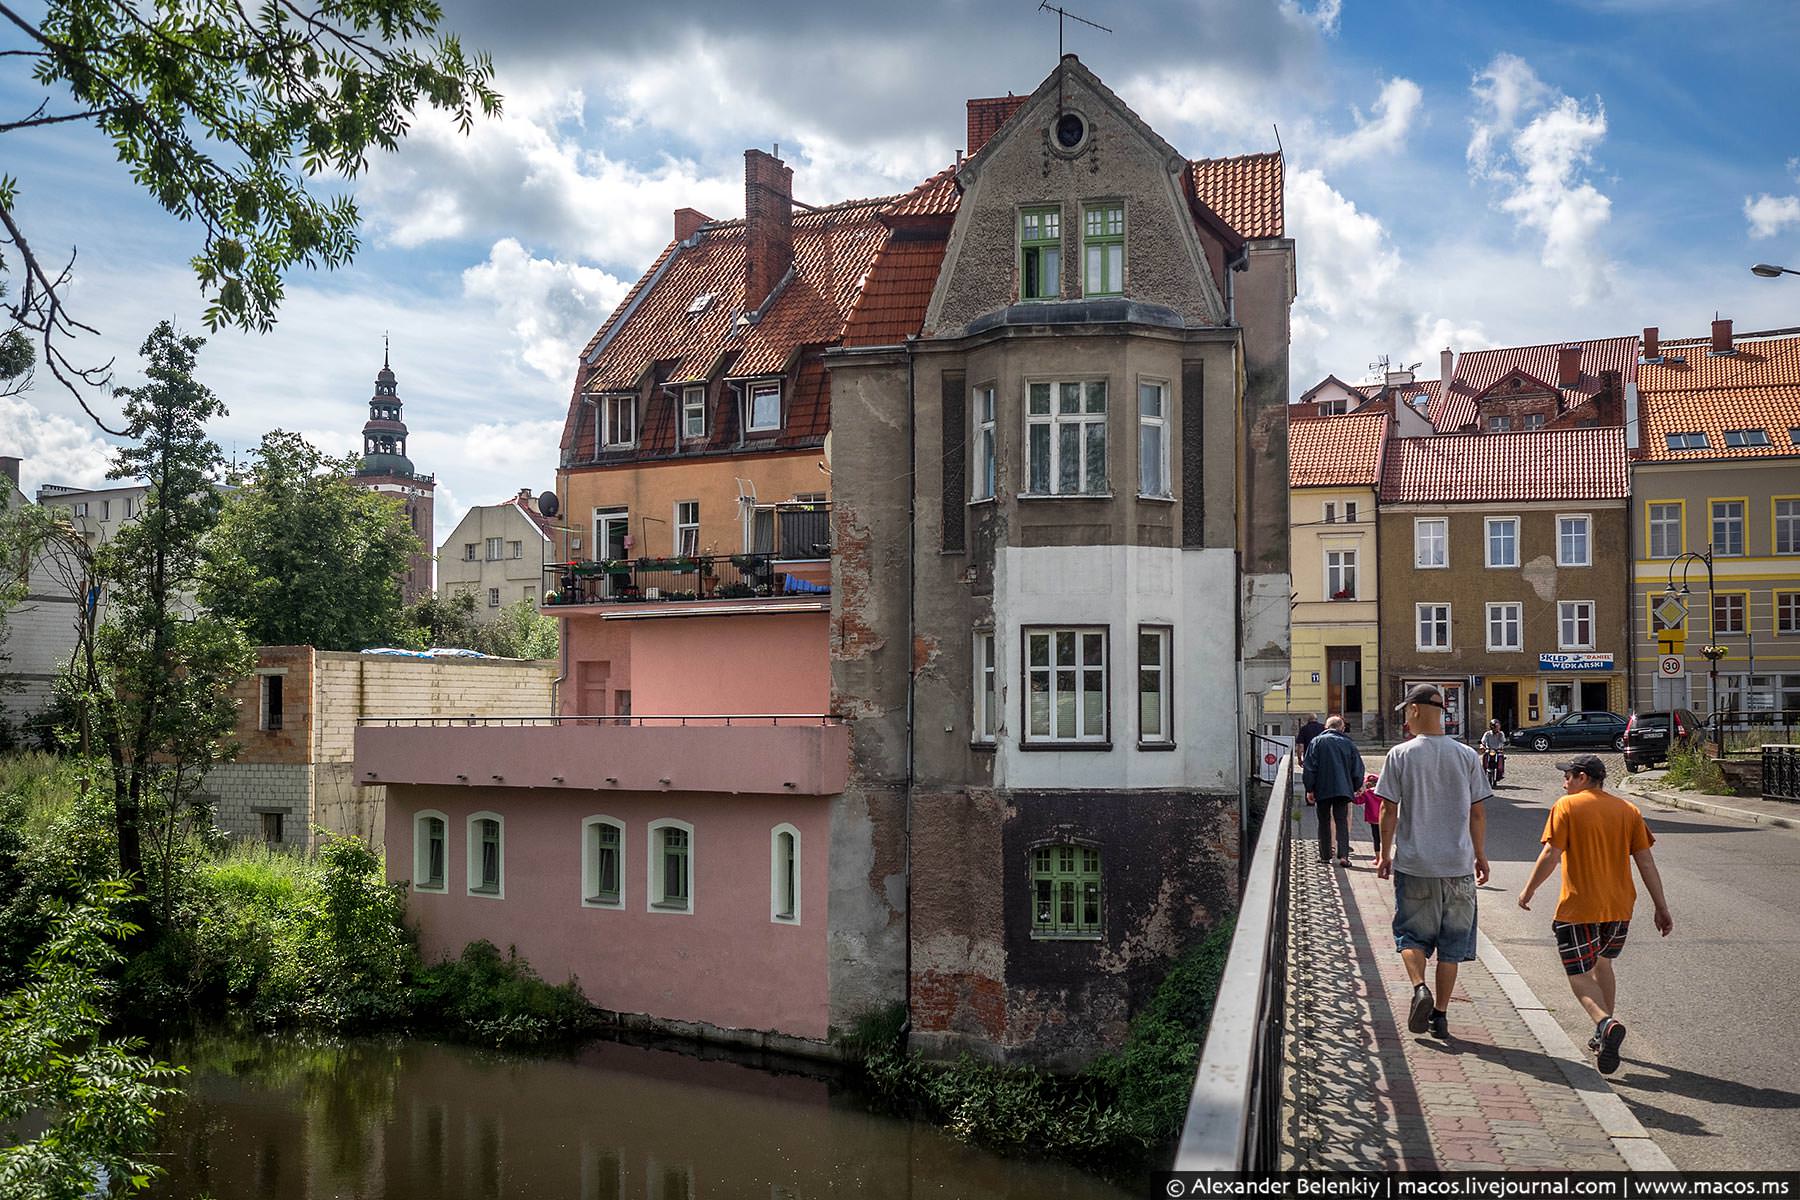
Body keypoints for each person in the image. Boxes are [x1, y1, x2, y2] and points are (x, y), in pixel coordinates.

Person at [1516, 754, 1673, 1075]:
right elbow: (1646, 862)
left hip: (1578, 908)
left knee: (1578, 975)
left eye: (1568, 776)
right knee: (1603, 964)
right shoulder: (1628, 810)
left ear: (1583, 777)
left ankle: (1604, 1021)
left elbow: (1551, 853)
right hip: (1618, 908)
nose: (1564, 782)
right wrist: (1661, 906)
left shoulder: (1567, 807)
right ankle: (1604, 1034)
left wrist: (1528, 889)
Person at [1375, 683, 1491, 1040]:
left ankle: (1418, 988)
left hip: (1416, 864)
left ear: (1413, 710)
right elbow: (1477, 813)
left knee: (1411, 936)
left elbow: (1388, 809)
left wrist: (1384, 853)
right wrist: (1480, 855)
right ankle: (1440, 1016)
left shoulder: (1400, 755)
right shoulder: (1467, 756)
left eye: (1405, 713)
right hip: (1457, 866)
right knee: (1451, 947)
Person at [1303, 715, 1364, 867]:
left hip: (1322, 789)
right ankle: (1343, 856)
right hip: (1343, 789)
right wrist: (1357, 786)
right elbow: (1357, 767)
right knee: (1341, 821)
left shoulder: (1316, 742)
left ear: (1325, 727)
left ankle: (1325, 856)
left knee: (1323, 822)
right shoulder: (1348, 743)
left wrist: (1309, 789)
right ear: (1341, 728)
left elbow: (1309, 767)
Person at [1355, 772, 1382, 852]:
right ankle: (1384, 854)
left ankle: (1377, 856)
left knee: (1375, 837)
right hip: (1383, 818)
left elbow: (1358, 801)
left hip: (1373, 819)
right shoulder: (1383, 793)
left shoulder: (1367, 793)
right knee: (1384, 837)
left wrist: (1355, 794)